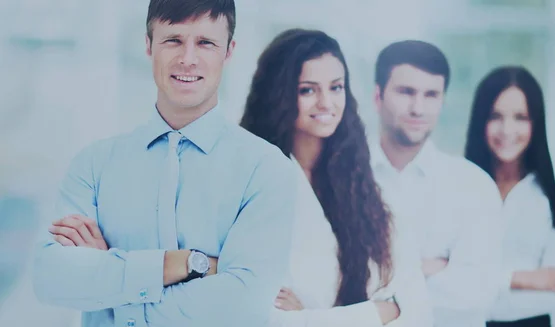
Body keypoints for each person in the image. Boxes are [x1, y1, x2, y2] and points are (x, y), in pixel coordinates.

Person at [32, 1, 297, 326]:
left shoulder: (266, 170)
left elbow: (241, 308)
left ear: (228, 52)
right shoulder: (93, 165)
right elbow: (52, 280)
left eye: (205, 43)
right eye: (173, 40)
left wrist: (111, 280)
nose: (187, 59)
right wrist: (186, 263)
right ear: (148, 45)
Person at [240, 28, 433, 327]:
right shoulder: (252, 183)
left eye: (336, 87)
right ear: (278, 95)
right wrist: (378, 312)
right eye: (307, 90)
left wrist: (309, 318)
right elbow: (263, 317)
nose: (326, 103)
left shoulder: (363, 183)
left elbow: (414, 306)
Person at [370, 40, 503, 326]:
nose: (418, 108)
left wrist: (379, 290)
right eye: (406, 92)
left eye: (431, 94)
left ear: (442, 100)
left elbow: (476, 295)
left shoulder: (473, 186)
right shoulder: (340, 180)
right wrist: (428, 270)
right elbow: (326, 287)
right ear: (377, 97)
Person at [465, 66, 555, 327]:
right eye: (496, 116)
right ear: (480, 121)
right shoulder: (458, 189)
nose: (507, 130)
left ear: (536, 123)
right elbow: (438, 277)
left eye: (521, 117)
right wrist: (520, 278)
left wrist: (477, 280)